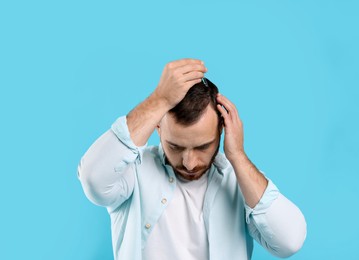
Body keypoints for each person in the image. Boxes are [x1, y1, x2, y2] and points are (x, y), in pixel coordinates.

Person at [78, 58, 307, 260]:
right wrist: (158, 100)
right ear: (157, 127)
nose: (189, 162)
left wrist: (237, 155)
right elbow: (93, 180)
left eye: (203, 147)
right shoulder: (133, 171)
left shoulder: (239, 180)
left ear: (222, 130)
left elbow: (289, 242)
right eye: (175, 146)